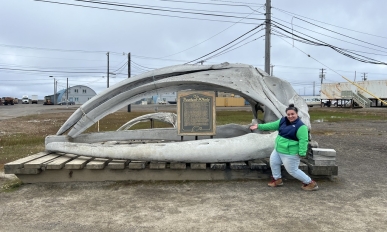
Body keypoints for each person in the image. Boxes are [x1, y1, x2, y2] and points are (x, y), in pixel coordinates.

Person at [249, 104, 318, 191]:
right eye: (288, 114)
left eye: (292, 114)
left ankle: (310, 183)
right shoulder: (282, 120)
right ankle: (277, 179)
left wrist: (302, 153)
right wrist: (259, 126)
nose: (290, 116)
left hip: (290, 153)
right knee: (274, 163)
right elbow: (271, 125)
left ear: (297, 114)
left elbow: (303, 141)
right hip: (278, 150)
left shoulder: (301, 127)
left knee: (293, 171)